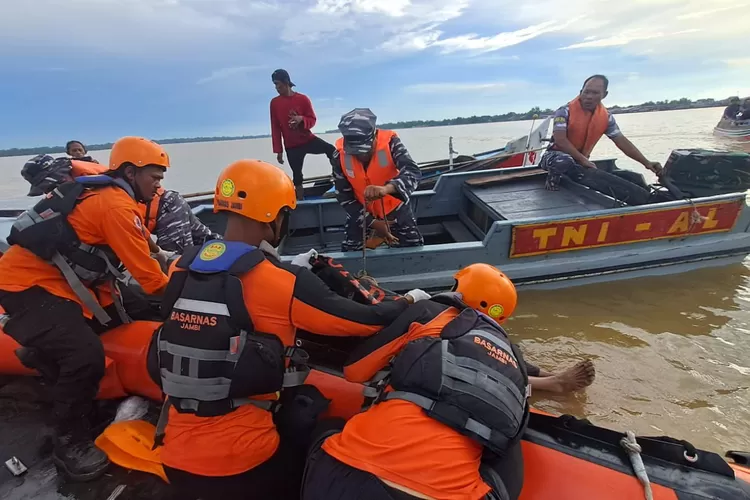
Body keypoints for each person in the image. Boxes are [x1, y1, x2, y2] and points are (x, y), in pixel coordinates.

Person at [150, 158, 430, 500]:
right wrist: (411, 301)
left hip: (174, 460)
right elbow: (362, 320)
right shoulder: (280, 282)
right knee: (326, 429)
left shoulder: (182, 265)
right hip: (244, 470)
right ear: (275, 217)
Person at [303, 263, 572, 500]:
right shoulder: (513, 356)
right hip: (452, 493)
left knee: (329, 427)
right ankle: (551, 382)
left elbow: (354, 371)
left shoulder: (429, 311)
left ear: (458, 290)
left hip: (351, 476)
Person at [0, 136, 171, 482]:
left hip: (70, 283)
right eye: (154, 178)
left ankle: (45, 355)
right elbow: (154, 281)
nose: (158, 186)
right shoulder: (116, 206)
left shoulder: (117, 196)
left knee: (138, 307)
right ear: (129, 172)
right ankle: (69, 440)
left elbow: (147, 255)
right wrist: (198, 296)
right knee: (85, 355)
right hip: (27, 285)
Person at [541, 75, 662, 191]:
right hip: (554, 157)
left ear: (604, 95)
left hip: (580, 161)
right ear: (580, 91)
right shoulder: (564, 111)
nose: (589, 96)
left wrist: (646, 163)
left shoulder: (606, 117)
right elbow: (560, 140)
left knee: (633, 180)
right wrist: (583, 160)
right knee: (564, 161)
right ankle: (552, 182)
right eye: (586, 92)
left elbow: (621, 141)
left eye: (595, 93)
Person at [332, 108, 424, 252]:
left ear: (374, 135)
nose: (360, 156)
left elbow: (413, 172)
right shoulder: (339, 156)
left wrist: (386, 189)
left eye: (365, 151)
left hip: (395, 209)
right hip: (361, 213)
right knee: (350, 252)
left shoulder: (391, 143)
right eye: (354, 152)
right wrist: (372, 222)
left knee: (413, 249)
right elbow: (344, 197)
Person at [270, 68, 335, 200]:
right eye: (275, 85)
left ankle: (338, 181)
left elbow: (312, 120)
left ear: (286, 82)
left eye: (278, 84)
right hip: (292, 146)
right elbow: (275, 127)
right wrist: (279, 151)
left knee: (332, 151)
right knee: (297, 176)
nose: (277, 87)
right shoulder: (274, 103)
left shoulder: (303, 99)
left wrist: (301, 119)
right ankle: (300, 202)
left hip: (307, 140)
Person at [140, 187, 222, 253]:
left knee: (177, 260)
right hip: (169, 203)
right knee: (203, 237)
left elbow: (139, 229)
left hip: (167, 207)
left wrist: (158, 252)